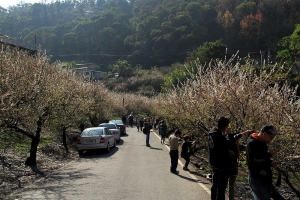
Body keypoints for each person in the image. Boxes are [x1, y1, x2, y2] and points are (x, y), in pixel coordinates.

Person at [246, 124, 280, 200]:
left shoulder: (261, 142)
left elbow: (263, 159)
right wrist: (269, 154)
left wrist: (271, 163)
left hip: (264, 178)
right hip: (257, 178)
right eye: (271, 137)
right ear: (265, 134)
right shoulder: (252, 143)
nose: (271, 140)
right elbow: (255, 160)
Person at [208, 116, 232, 200]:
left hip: (214, 162)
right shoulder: (219, 135)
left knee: (215, 185)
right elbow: (229, 145)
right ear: (225, 126)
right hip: (221, 164)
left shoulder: (212, 132)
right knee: (221, 189)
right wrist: (230, 135)